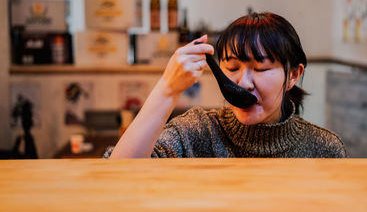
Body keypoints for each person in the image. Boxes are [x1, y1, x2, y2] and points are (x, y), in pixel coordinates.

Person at [107, 12, 346, 158]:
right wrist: (168, 88)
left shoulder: (323, 148)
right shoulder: (198, 131)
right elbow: (118, 177)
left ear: (293, 75)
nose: (243, 83)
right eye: (232, 68)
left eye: (260, 69)